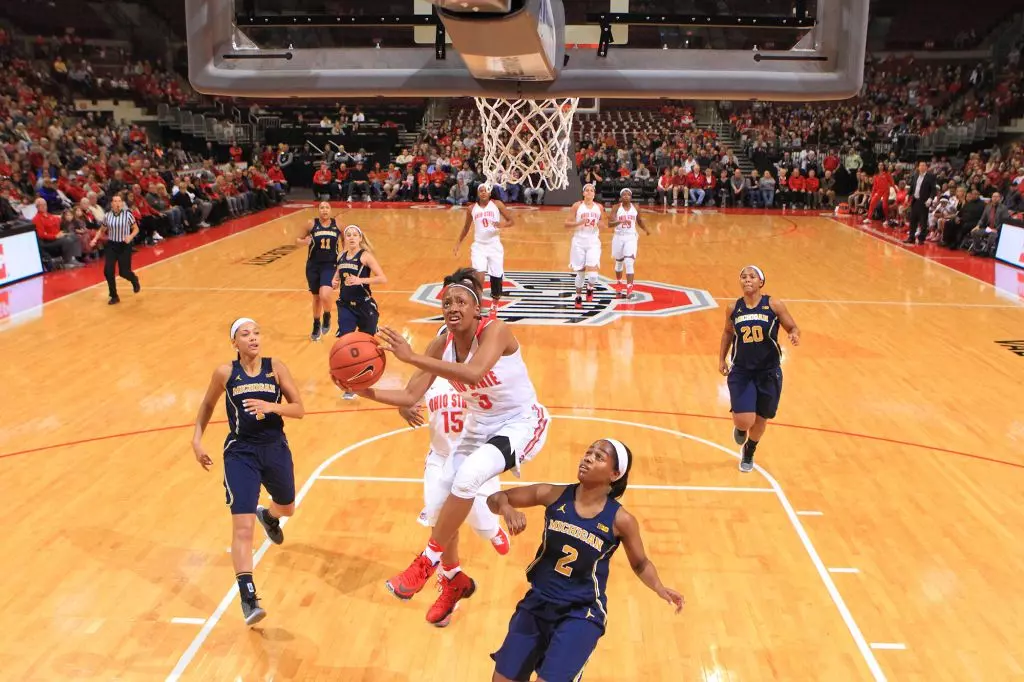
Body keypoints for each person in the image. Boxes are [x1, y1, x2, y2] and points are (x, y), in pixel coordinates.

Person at [354, 268, 549, 625]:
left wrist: (411, 356)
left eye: (461, 301)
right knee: (446, 493)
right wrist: (365, 390)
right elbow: (412, 395)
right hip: (480, 425)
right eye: (447, 302)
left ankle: (425, 562)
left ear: (478, 310)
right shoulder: (441, 342)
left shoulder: (496, 330)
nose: (453, 306)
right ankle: (450, 577)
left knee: (469, 476)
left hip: (520, 420)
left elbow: (473, 373)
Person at [487, 438, 684, 682]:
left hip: (581, 613)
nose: (588, 458)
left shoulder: (621, 520)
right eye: (588, 452)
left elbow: (640, 563)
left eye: (599, 456)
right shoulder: (553, 494)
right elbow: (495, 498)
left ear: (614, 474)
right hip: (538, 602)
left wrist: (659, 587)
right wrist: (507, 510)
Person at [190, 318, 305, 625]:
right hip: (241, 453)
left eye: (256, 332)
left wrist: (273, 408)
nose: (253, 338)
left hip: (275, 447)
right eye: (246, 334)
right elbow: (207, 405)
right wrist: (197, 439)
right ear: (235, 342)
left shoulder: (275, 367)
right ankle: (248, 597)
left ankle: (269, 515)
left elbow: (299, 409)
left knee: (289, 507)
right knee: (242, 529)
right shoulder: (225, 373)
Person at [396, 364, 512, 627]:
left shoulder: (482, 375)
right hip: (440, 459)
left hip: (478, 461)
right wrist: (404, 408)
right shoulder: (429, 376)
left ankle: (493, 531)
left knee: (483, 526)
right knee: (441, 524)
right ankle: (451, 581)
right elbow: (407, 396)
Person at [718, 266, 801, 472]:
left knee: (762, 419)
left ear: (761, 282)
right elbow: (728, 333)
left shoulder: (773, 305)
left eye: (752, 276)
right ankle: (740, 427)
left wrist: (794, 334)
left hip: (769, 371)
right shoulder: (733, 307)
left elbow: (793, 326)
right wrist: (721, 359)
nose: (747, 280)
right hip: (742, 371)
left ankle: (749, 450)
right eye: (743, 277)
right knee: (745, 420)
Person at [332, 224, 387, 399]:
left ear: (360, 238)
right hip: (345, 305)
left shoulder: (365, 257)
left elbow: (382, 278)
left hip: (364, 305)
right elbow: (338, 273)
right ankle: (350, 384)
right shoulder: (341, 255)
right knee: (346, 340)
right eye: (348, 235)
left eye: (355, 235)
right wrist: (334, 281)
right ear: (345, 239)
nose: (351, 237)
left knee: (367, 344)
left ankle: (367, 374)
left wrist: (359, 280)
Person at [453, 183, 515, 319]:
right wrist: (458, 243)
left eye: (485, 190)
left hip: (494, 245)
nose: (483, 193)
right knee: (478, 276)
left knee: (496, 277)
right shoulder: (471, 209)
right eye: (480, 191)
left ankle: (494, 305)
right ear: (477, 193)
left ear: (490, 192)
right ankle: (478, 306)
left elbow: (511, 221)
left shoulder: (497, 204)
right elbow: (466, 228)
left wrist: (502, 224)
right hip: (479, 246)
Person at [298, 202, 340, 341]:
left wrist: (344, 258)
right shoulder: (311, 224)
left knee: (325, 294)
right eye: (321, 208)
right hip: (313, 265)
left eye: (327, 207)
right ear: (318, 210)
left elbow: (345, 241)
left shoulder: (338, 224)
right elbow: (297, 239)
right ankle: (316, 324)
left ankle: (327, 315)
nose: (324, 210)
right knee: (316, 297)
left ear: (330, 210)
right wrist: (304, 242)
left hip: (330, 265)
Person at [90, 194, 140, 305]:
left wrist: (130, 237)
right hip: (112, 245)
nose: (117, 203)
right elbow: (101, 230)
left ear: (122, 203)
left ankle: (134, 279)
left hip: (124, 246)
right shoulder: (107, 216)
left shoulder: (128, 215)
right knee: (108, 271)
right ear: (112, 204)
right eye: (115, 201)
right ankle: (114, 296)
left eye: (119, 201)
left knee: (124, 272)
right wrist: (95, 239)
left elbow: (136, 229)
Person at [565, 183, 606, 310]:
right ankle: (578, 296)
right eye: (587, 190)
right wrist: (578, 223)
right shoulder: (577, 206)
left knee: (593, 275)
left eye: (591, 190)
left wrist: (601, 224)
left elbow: (604, 224)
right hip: (578, 242)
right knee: (581, 273)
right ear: (583, 193)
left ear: (594, 194)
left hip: (593, 241)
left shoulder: (599, 207)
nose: (589, 192)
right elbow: (566, 224)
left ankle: (590, 288)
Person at [609, 188, 651, 299]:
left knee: (629, 262)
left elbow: (640, 221)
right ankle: (619, 283)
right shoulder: (616, 207)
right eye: (624, 194)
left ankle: (629, 288)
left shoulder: (636, 207)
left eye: (628, 194)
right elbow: (610, 224)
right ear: (621, 197)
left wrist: (646, 229)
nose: (626, 196)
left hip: (631, 237)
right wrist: (620, 221)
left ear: (631, 197)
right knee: (619, 262)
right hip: (618, 236)